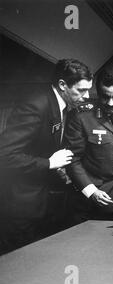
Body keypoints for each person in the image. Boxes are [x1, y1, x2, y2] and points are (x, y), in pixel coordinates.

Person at [0, 59, 93, 254]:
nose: (86, 96)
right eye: (81, 90)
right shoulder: (36, 105)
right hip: (20, 209)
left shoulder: (63, 107)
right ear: (62, 85)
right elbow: (5, 155)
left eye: (88, 90)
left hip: (41, 205)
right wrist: (49, 163)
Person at [64, 70, 113, 223]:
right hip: (92, 203)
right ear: (98, 95)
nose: (111, 103)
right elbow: (73, 159)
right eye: (106, 97)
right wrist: (91, 191)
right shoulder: (81, 117)